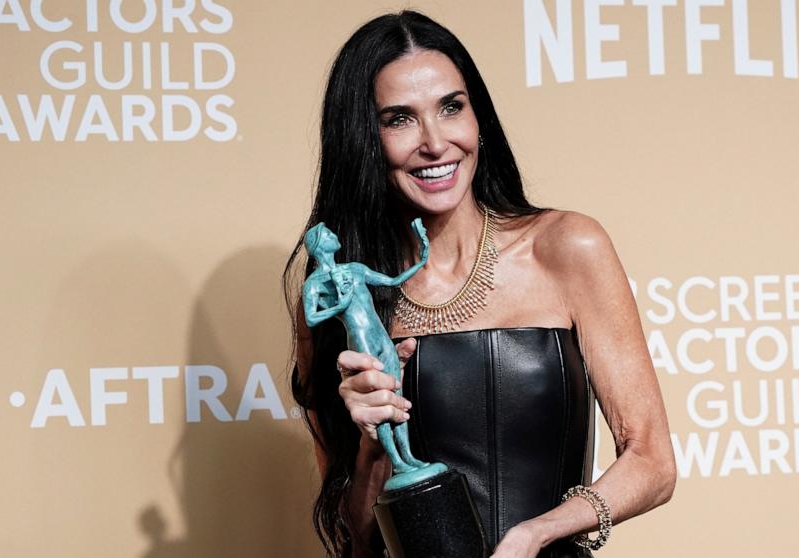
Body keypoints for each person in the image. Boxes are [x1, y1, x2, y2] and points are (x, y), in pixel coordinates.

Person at [284, 10, 675, 558]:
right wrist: (374, 444)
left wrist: (538, 533)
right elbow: (355, 540)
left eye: (451, 108)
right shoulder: (342, 304)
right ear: (363, 141)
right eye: (399, 119)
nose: (435, 142)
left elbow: (652, 461)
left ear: (478, 119)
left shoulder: (566, 246)